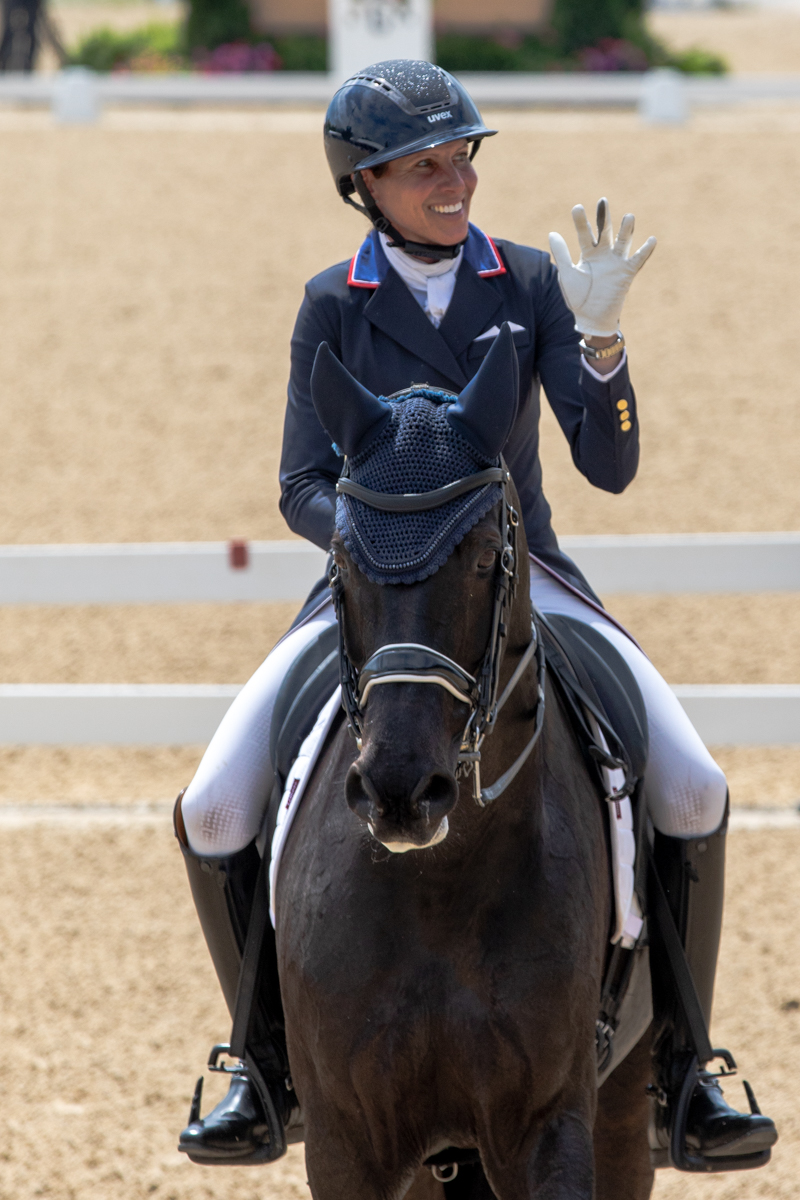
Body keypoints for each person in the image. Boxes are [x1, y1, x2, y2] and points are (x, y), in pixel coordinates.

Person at [174, 60, 777, 1170]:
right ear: (364, 184)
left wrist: (600, 347)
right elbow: (300, 484)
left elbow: (608, 465)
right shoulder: (329, 303)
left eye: (462, 161)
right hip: (378, 588)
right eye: (423, 169)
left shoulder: (529, 282)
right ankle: (262, 1064)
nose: (453, 184)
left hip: (520, 574)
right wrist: (381, 543)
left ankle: (685, 1069)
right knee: (213, 804)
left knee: (691, 784)